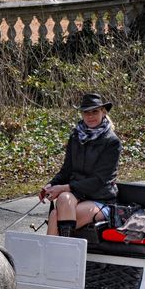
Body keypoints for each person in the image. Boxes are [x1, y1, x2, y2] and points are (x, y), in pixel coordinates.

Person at [40, 93, 122, 237]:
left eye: (95, 111)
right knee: (64, 198)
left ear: (103, 112)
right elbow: (66, 170)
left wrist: (65, 187)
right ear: (81, 114)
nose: (90, 116)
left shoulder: (112, 142)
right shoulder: (76, 137)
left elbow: (99, 180)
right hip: (76, 195)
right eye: (86, 112)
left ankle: (58, 256)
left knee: (55, 215)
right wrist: (51, 185)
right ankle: (58, 255)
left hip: (101, 199)